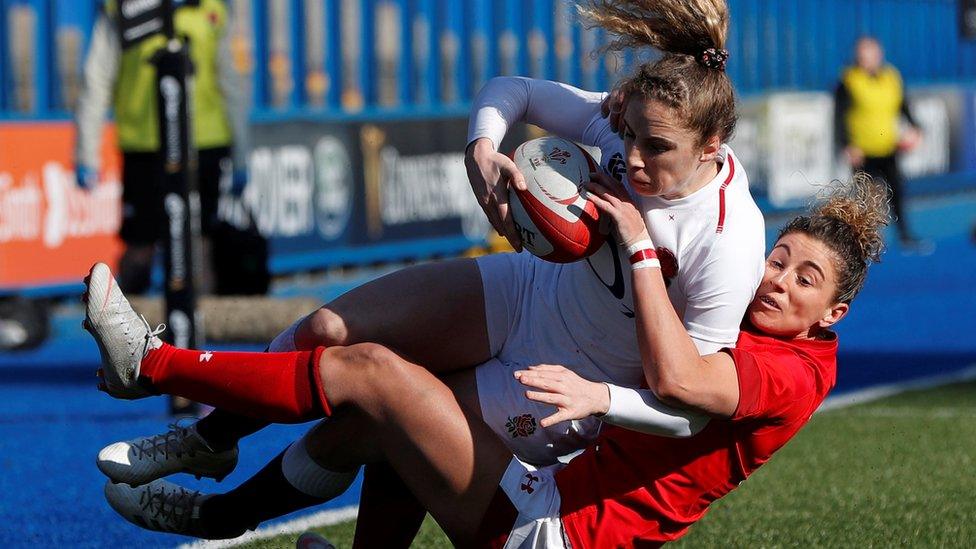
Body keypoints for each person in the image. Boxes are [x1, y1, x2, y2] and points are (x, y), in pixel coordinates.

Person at [93, 0, 764, 540]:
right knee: (328, 325)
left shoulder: (731, 241)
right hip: (525, 291)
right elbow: (515, 89)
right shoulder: (628, 118)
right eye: (630, 138)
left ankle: (211, 498)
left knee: (372, 417)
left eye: (657, 148)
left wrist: (599, 401)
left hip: (552, 382)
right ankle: (209, 439)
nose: (634, 157)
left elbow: (689, 410)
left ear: (713, 145)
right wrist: (483, 149)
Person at [84, 171, 889, 545]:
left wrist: (635, 275)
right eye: (781, 258)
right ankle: (218, 505)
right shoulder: (744, 308)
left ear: (835, 312)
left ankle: (153, 367)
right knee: (383, 410)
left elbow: (684, 391)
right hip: (549, 486)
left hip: (556, 529)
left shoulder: (795, 369)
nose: (778, 279)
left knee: (372, 375)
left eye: (805, 278)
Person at [74, 0, 251, 294]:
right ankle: (119, 328)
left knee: (199, 247)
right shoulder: (122, 8)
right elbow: (96, 80)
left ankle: (196, 335)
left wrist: (242, 154)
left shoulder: (212, 8)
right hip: (145, 147)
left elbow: (231, 81)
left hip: (204, 144)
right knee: (140, 246)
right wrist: (86, 154)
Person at [834, 36, 927, 253]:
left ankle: (905, 235)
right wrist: (847, 144)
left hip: (888, 146)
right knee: (866, 198)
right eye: (862, 53)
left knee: (897, 192)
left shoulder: (891, 77)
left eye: (870, 52)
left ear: (879, 54)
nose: (865, 57)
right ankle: (865, 242)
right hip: (863, 150)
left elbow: (903, 105)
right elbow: (839, 116)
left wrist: (915, 127)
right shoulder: (849, 80)